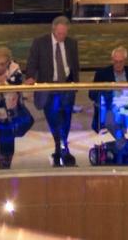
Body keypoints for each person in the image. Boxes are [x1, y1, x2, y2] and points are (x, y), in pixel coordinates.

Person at [25, 16, 80, 166]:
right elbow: (32, 63)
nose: (62, 37)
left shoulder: (71, 43)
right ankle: (61, 146)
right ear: (53, 30)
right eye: (59, 34)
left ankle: (62, 146)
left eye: (64, 34)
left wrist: (76, 85)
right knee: (54, 119)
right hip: (48, 88)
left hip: (67, 87)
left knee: (66, 118)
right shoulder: (40, 43)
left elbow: (75, 65)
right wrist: (30, 77)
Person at [89, 47, 128, 147]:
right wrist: (105, 91)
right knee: (111, 118)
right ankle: (123, 144)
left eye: (120, 62)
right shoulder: (102, 74)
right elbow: (92, 94)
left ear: (125, 61)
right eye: (115, 62)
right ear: (112, 60)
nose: (118, 65)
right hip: (111, 108)